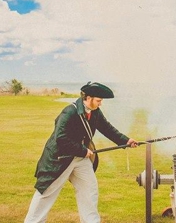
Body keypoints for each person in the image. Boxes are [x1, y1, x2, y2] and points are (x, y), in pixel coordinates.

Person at [24, 82, 139, 223]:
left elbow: (107, 128)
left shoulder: (95, 111)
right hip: (60, 159)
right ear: (88, 98)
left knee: (89, 190)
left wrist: (125, 141)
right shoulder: (69, 112)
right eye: (98, 101)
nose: (100, 104)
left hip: (80, 158)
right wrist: (82, 150)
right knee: (47, 193)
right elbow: (61, 138)